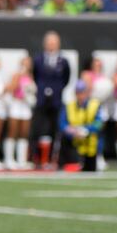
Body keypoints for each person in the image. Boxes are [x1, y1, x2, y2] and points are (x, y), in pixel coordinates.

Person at [32, 31, 71, 167]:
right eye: (49, 42)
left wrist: (57, 90)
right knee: (38, 129)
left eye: (54, 42)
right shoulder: (38, 59)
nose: (51, 45)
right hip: (42, 100)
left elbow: (66, 79)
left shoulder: (63, 61)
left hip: (56, 100)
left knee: (55, 130)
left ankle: (53, 159)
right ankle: (37, 159)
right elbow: (35, 76)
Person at [61, 79, 106, 172]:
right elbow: (62, 124)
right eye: (78, 93)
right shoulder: (69, 106)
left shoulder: (95, 104)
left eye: (82, 92)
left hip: (91, 145)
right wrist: (71, 131)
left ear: (86, 93)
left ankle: (99, 158)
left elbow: (99, 123)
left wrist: (85, 130)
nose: (80, 96)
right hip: (74, 143)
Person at [1, 57, 36, 170]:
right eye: (24, 63)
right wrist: (18, 79)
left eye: (28, 63)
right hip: (16, 104)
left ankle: (22, 160)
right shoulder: (16, 75)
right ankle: (9, 159)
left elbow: (32, 92)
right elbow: (10, 88)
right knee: (12, 131)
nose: (26, 65)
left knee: (24, 133)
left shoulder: (31, 76)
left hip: (25, 106)